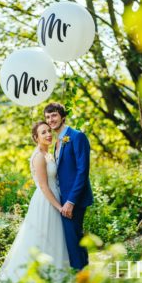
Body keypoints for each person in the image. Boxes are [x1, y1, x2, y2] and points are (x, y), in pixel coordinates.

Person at [0, 121, 69, 283]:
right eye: (43, 132)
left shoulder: (48, 154)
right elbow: (44, 186)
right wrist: (59, 207)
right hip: (46, 203)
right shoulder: (38, 157)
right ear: (36, 138)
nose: (48, 134)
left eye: (49, 131)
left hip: (54, 198)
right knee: (42, 240)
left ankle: (55, 279)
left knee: (55, 240)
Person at [44, 103, 94, 270]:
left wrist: (71, 201)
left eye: (54, 115)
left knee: (74, 240)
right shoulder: (57, 141)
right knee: (74, 239)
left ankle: (82, 278)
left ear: (62, 116)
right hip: (63, 197)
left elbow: (82, 171)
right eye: (47, 117)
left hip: (75, 198)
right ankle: (83, 276)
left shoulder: (77, 136)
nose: (51, 120)